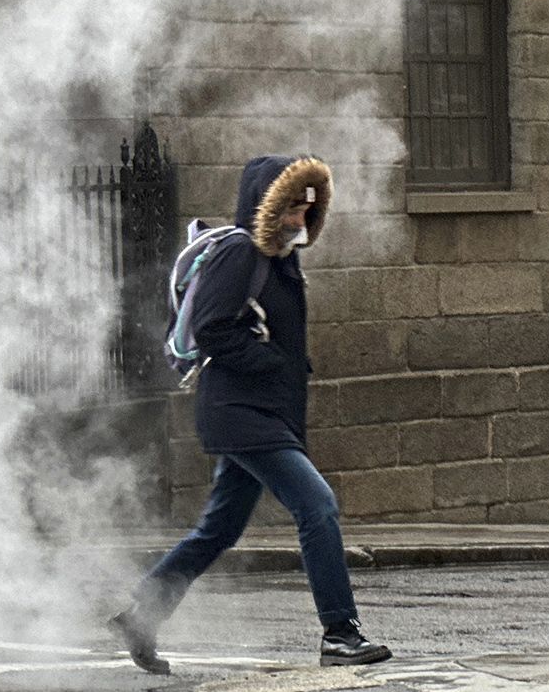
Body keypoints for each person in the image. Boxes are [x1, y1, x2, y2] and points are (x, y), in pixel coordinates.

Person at [109, 154, 390, 673]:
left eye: (307, 211)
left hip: (262, 412)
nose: (299, 221)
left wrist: (282, 376)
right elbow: (214, 328)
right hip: (239, 410)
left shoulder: (282, 258)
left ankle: (143, 612)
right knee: (317, 506)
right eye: (289, 210)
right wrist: (269, 362)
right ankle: (340, 633)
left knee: (219, 530)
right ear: (267, 206)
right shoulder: (240, 252)